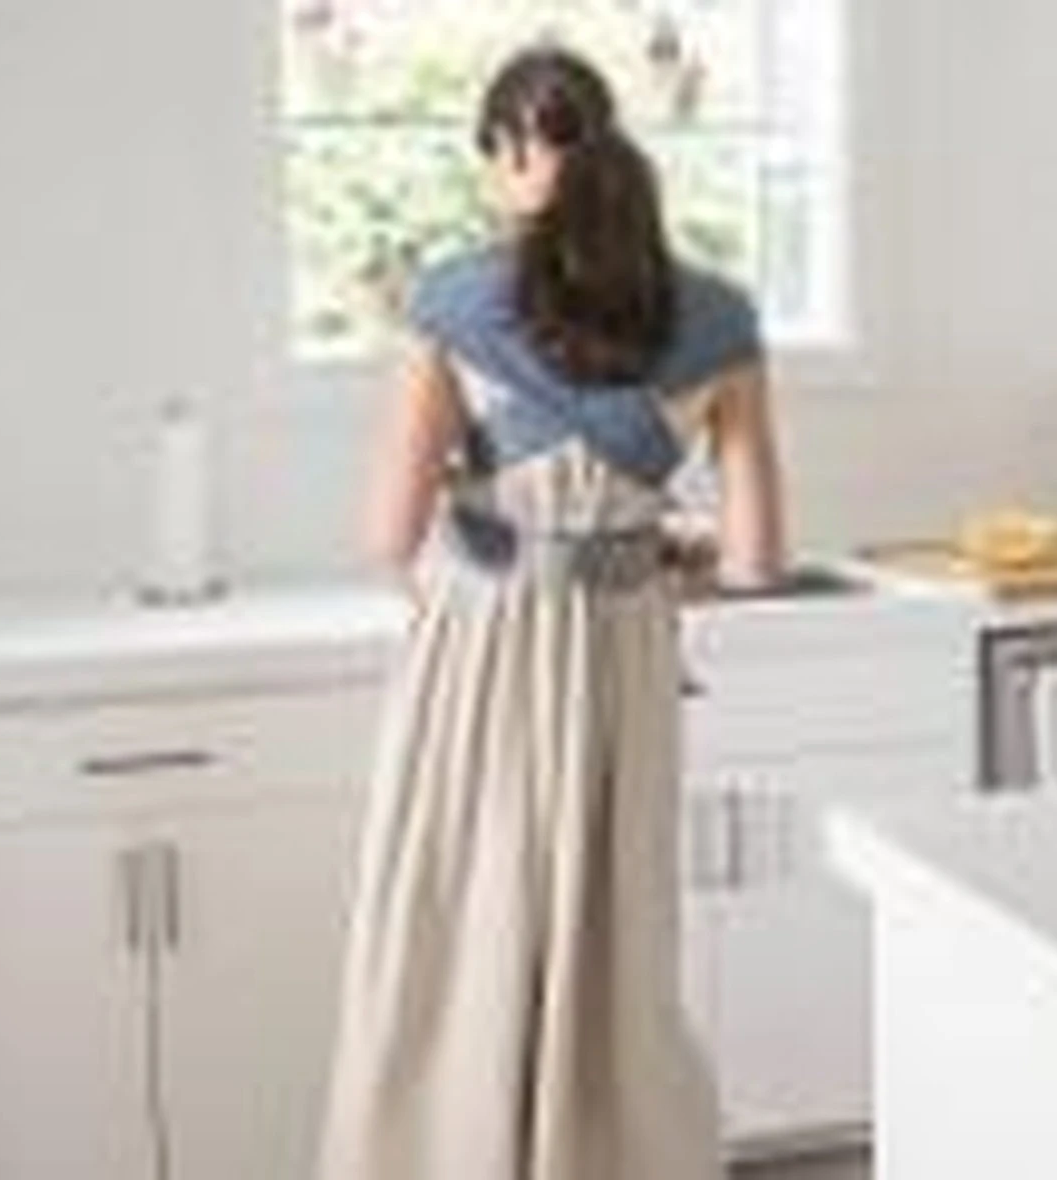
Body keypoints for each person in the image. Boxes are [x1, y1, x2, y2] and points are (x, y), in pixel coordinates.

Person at [316, 44, 785, 1180]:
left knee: (456, 929)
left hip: (478, 650)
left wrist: (495, 539)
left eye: (494, 154)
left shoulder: (452, 299)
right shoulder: (720, 316)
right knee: (611, 941)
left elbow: (386, 534)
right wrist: (650, 550)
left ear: (515, 152)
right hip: (621, 655)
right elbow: (758, 558)